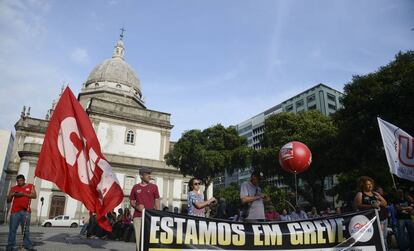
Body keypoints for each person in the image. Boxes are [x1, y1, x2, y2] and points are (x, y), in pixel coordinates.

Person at [130, 168, 160, 251]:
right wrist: (137, 207)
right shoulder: (135, 187)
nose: (149, 176)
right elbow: (132, 201)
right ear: (141, 176)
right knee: (139, 239)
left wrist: (158, 214)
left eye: (150, 174)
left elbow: (157, 200)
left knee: (149, 239)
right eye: (147, 174)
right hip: (138, 217)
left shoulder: (154, 187)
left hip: (150, 217)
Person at [6, 174, 37, 251]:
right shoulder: (13, 188)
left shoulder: (30, 186)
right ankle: (10, 246)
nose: (19, 182)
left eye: (21, 181)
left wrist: (23, 194)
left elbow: (34, 196)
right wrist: (12, 194)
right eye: (18, 181)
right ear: (16, 181)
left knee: (26, 230)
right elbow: (8, 201)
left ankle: (27, 245)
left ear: (24, 180)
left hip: (26, 211)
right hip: (15, 212)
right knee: (12, 230)